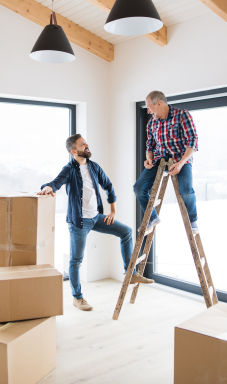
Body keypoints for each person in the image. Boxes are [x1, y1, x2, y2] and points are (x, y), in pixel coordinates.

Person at [39, 134, 153, 312]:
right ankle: (77, 298)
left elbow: (108, 186)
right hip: (79, 222)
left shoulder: (93, 167)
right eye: (82, 144)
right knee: (76, 260)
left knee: (126, 232)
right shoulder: (69, 169)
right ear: (74, 151)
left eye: (85, 142)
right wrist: (47, 187)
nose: (86, 145)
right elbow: (56, 183)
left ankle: (130, 273)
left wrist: (113, 211)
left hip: (96, 217)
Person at [133, 91, 199, 233]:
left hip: (180, 159)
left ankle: (193, 220)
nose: (149, 111)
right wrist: (149, 158)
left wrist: (181, 163)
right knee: (138, 188)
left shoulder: (182, 115)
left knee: (186, 191)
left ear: (159, 103)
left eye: (150, 107)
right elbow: (150, 145)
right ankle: (152, 217)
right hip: (159, 160)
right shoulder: (152, 123)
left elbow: (193, 142)